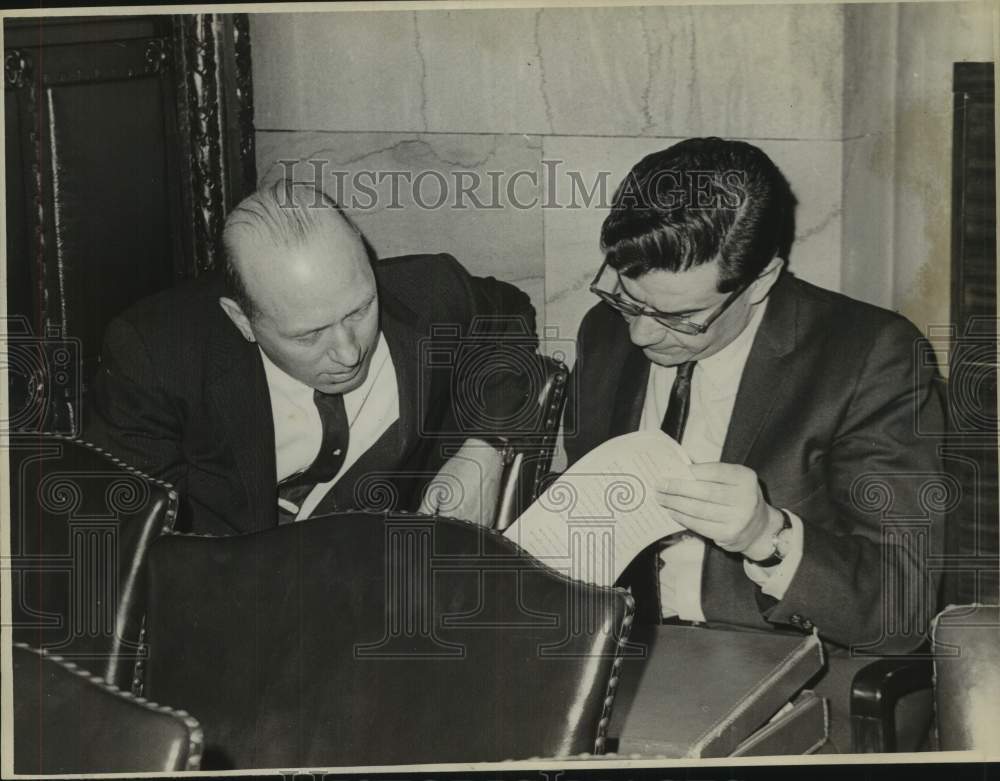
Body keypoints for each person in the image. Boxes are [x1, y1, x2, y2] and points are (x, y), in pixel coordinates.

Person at [564, 138, 944, 750]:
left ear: (761, 280)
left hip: (803, 669)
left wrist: (767, 536)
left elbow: (901, 610)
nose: (640, 336)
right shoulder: (604, 332)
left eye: (681, 318)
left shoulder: (870, 355)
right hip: (625, 663)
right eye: (627, 299)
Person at [84, 180, 537, 535]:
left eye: (359, 310)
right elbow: (131, 541)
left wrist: (486, 448)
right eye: (309, 335)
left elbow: (509, 320)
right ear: (242, 320)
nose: (349, 352)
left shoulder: (429, 293)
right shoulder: (155, 358)